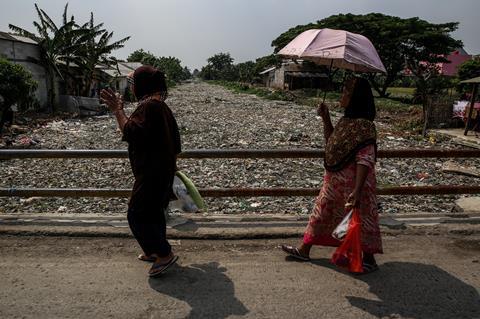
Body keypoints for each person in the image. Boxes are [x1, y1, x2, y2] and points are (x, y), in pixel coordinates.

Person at [281, 77, 383, 274]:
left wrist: (357, 190)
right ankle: (304, 249)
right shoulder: (346, 122)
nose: (342, 96)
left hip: (354, 185)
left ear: (355, 98)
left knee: (359, 220)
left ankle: (368, 258)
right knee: (321, 215)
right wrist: (326, 118)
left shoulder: (364, 126)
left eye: (346, 92)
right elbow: (331, 143)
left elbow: (365, 158)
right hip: (335, 184)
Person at [100, 65, 181, 277]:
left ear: (143, 85)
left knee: (135, 215)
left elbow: (129, 131)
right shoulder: (161, 106)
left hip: (152, 174)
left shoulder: (149, 107)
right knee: (154, 215)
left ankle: (164, 254)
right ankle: (153, 251)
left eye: (134, 83)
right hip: (162, 172)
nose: (132, 87)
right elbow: (176, 144)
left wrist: (117, 110)